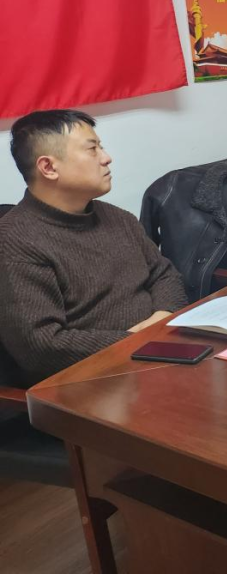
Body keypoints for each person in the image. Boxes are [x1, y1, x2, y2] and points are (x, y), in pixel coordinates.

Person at [0, 110, 188, 386]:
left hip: (156, 354)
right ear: (48, 167)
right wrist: (135, 340)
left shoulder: (118, 218)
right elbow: (41, 346)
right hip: (86, 381)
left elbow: (164, 275)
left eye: (101, 147)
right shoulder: (15, 241)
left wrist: (161, 319)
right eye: (92, 149)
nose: (106, 158)